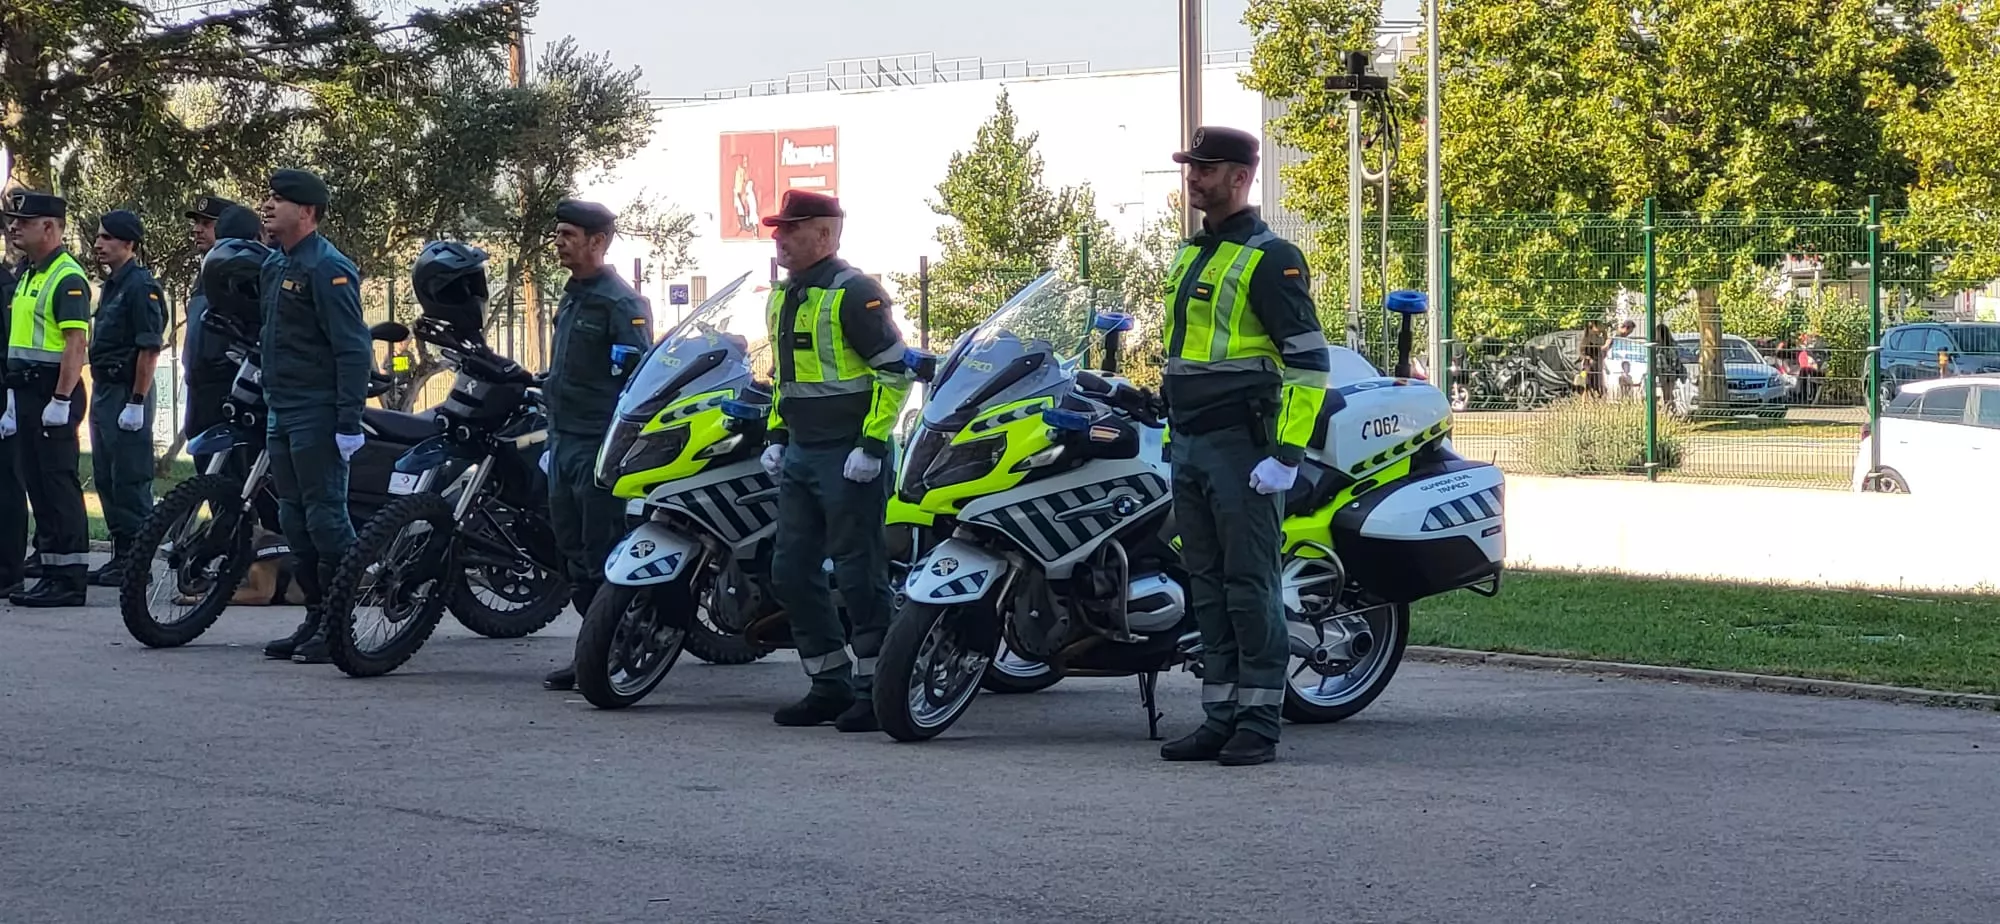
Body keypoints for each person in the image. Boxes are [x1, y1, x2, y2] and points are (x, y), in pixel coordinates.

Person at [1155, 127, 1331, 767]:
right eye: (1190, 167)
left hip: (1243, 447)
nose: (1193, 177)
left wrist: (1286, 454)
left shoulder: (1270, 257)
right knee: (1207, 584)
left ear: (1240, 177)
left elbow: (1309, 364)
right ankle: (1219, 711)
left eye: (1205, 168)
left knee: (1249, 584)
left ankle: (1259, 718)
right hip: (1193, 443)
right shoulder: (1192, 253)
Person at [756, 189, 912, 731]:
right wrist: (776, 434)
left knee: (858, 573)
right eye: (777, 229)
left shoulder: (855, 293)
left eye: (790, 229)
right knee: (791, 570)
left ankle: (876, 688)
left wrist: (871, 446)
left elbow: (895, 373)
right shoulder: (784, 296)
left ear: (824, 235)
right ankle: (829, 682)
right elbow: (787, 379)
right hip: (801, 453)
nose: (778, 238)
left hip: (848, 456)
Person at [255, 169, 370, 664]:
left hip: (317, 411)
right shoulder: (275, 265)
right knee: (293, 517)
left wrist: (348, 420)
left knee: (326, 517)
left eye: (279, 201)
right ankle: (314, 616)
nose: (267, 206)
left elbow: (352, 348)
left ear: (307, 212)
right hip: (282, 408)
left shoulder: (329, 268)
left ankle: (340, 623)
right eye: (268, 198)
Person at [538, 200, 653, 691]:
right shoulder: (573, 295)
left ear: (598, 242)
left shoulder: (620, 303)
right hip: (562, 437)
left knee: (600, 547)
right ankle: (593, 648)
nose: (560, 242)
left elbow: (639, 375)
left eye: (569, 235)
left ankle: (618, 648)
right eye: (559, 234)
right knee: (571, 551)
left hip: (596, 442)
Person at [1, 191, 95, 607]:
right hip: (26, 390)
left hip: (50, 391)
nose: (14, 227)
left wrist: (60, 398)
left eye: (25, 221)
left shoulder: (66, 276)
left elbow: (75, 342)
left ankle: (70, 579)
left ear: (51, 227)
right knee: (37, 484)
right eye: (13, 221)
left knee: (57, 485)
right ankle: (52, 570)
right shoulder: (30, 273)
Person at [85, 210, 166, 588]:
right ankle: (120, 555)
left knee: (130, 477)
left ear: (129, 244)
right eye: (99, 237)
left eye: (107, 238)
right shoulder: (113, 285)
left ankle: (136, 562)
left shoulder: (140, 287)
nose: (99, 244)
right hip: (105, 390)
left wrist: (137, 400)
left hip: (126, 391)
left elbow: (148, 350)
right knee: (106, 476)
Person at [182, 195, 250, 474]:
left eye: (206, 223)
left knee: (232, 479)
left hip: (226, 391)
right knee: (205, 477)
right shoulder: (205, 273)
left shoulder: (240, 274)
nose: (197, 229)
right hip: (198, 391)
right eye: (196, 222)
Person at [0, 237, 24, 596]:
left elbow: (9, 342)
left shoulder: (6, 283)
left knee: (5, 482)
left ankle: (7, 570)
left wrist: (9, 399)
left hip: (3, 388)